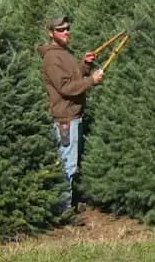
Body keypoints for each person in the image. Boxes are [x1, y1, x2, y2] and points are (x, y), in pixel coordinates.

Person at [37, 14, 105, 214]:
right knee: (67, 165)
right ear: (51, 33)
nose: (66, 31)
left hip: (74, 116)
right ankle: (63, 211)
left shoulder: (63, 52)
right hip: (65, 119)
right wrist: (91, 81)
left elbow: (73, 75)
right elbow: (66, 87)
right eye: (61, 29)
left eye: (68, 28)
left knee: (71, 163)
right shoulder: (52, 57)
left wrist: (84, 64)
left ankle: (69, 205)